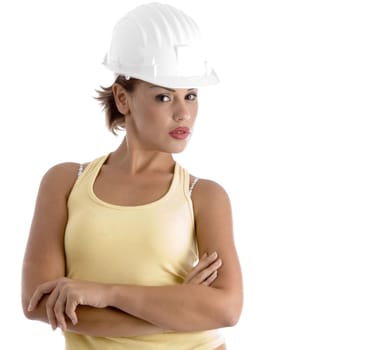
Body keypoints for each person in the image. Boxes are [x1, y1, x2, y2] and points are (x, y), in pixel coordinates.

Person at [21, 2, 243, 349]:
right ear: (123, 98)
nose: (184, 113)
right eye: (164, 96)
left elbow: (227, 310)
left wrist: (102, 293)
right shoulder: (65, 183)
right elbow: (38, 304)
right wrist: (178, 307)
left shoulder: (203, 196)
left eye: (192, 96)